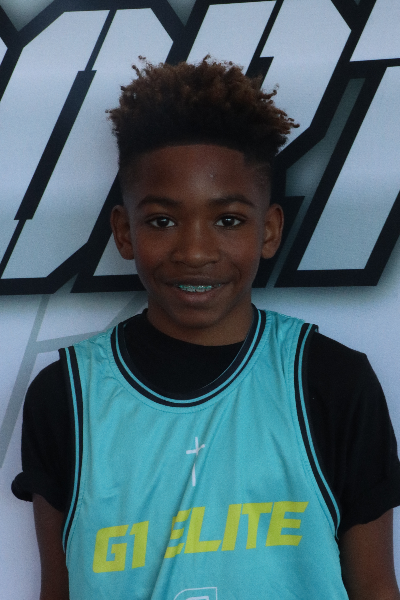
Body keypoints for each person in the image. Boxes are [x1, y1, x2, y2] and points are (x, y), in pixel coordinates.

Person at [12, 57, 400, 600]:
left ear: (269, 230)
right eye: (162, 220)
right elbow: (59, 588)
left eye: (228, 220)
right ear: (124, 232)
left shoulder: (333, 382)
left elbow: (376, 586)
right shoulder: (64, 397)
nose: (195, 251)